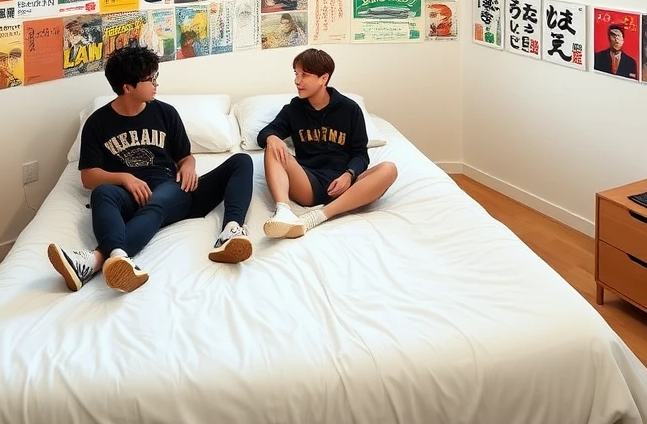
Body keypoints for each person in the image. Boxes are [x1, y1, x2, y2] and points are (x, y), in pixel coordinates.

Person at [47, 45, 254, 293]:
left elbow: (184, 156)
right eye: (150, 79)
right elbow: (88, 177)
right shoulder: (97, 123)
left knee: (242, 162)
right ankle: (119, 259)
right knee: (102, 193)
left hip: (172, 190)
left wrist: (189, 165)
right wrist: (124, 178)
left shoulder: (165, 113)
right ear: (127, 87)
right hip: (129, 195)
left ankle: (230, 232)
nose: (156, 85)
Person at [259, 48, 397, 238]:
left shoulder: (350, 109)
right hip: (309, 183)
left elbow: (360, 154)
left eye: (304, 75)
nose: (297, 81)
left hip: (346, 186)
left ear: (323, 78)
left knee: (389, 169)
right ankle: (284, 212)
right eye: (296, 74)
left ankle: (319, 215)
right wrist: (272, 137)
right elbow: (265, 133)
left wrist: (349, 175)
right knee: (271, 147)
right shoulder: (294, 109)